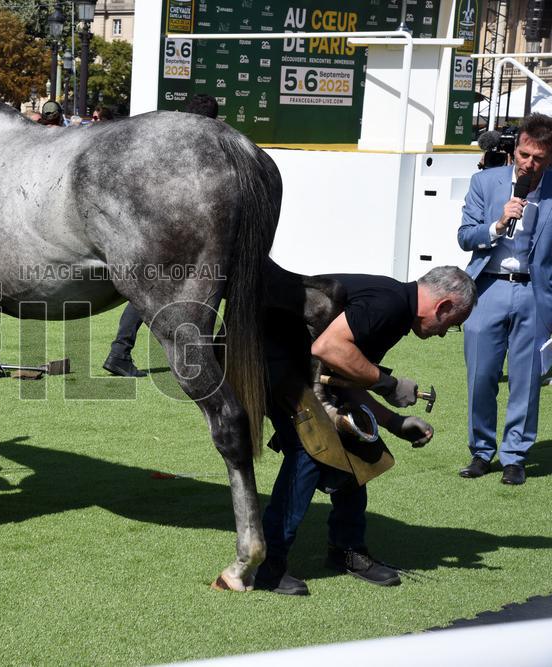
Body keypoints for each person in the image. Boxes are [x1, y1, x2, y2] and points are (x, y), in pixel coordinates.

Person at [254, 265, 477, 595]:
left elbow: (345, 378)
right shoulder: (390, 304)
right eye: (452, 324)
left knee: (356, 440)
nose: (445, 333)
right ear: (442, 306)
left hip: (297, 368)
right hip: (266, 360)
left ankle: (346, 549)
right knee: (311, 450)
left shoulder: (396, 309)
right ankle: (268, 565)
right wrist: (389, 384)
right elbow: (328, 348)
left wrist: (394, 422)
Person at [457, 113, 552, 486]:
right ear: (516, 149)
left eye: (538, 158)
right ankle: (482, 451)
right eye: (525, 154)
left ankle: (515, 456)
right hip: (488, 287)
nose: (529, 163)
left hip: (535, 292)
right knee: (481, 375)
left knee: (526, 381)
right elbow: (465, 236)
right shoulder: (485, 182)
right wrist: (497, 225)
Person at [102, 93, 220, 377]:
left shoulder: (164, 141)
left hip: (148, 225)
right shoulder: (200, 147)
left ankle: (120, 351)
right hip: (173, 229)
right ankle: (121, 351)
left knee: (148, 290)